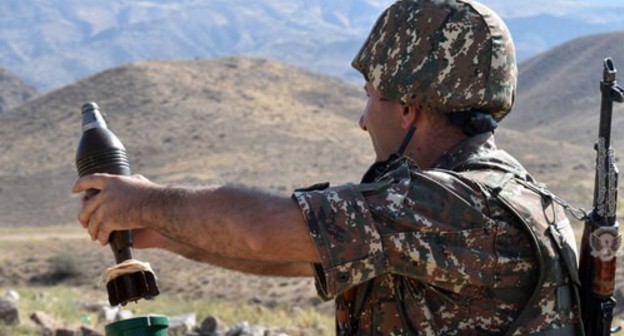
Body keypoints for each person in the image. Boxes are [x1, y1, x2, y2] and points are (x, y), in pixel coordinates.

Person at [73, 0, 583, 334]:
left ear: (409, 107)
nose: (363, 120)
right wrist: (165, 234)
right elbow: (296, 256)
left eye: (370, 97)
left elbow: (265, 230)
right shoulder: (496, 195)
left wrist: (144, 200)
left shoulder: (449, 205)